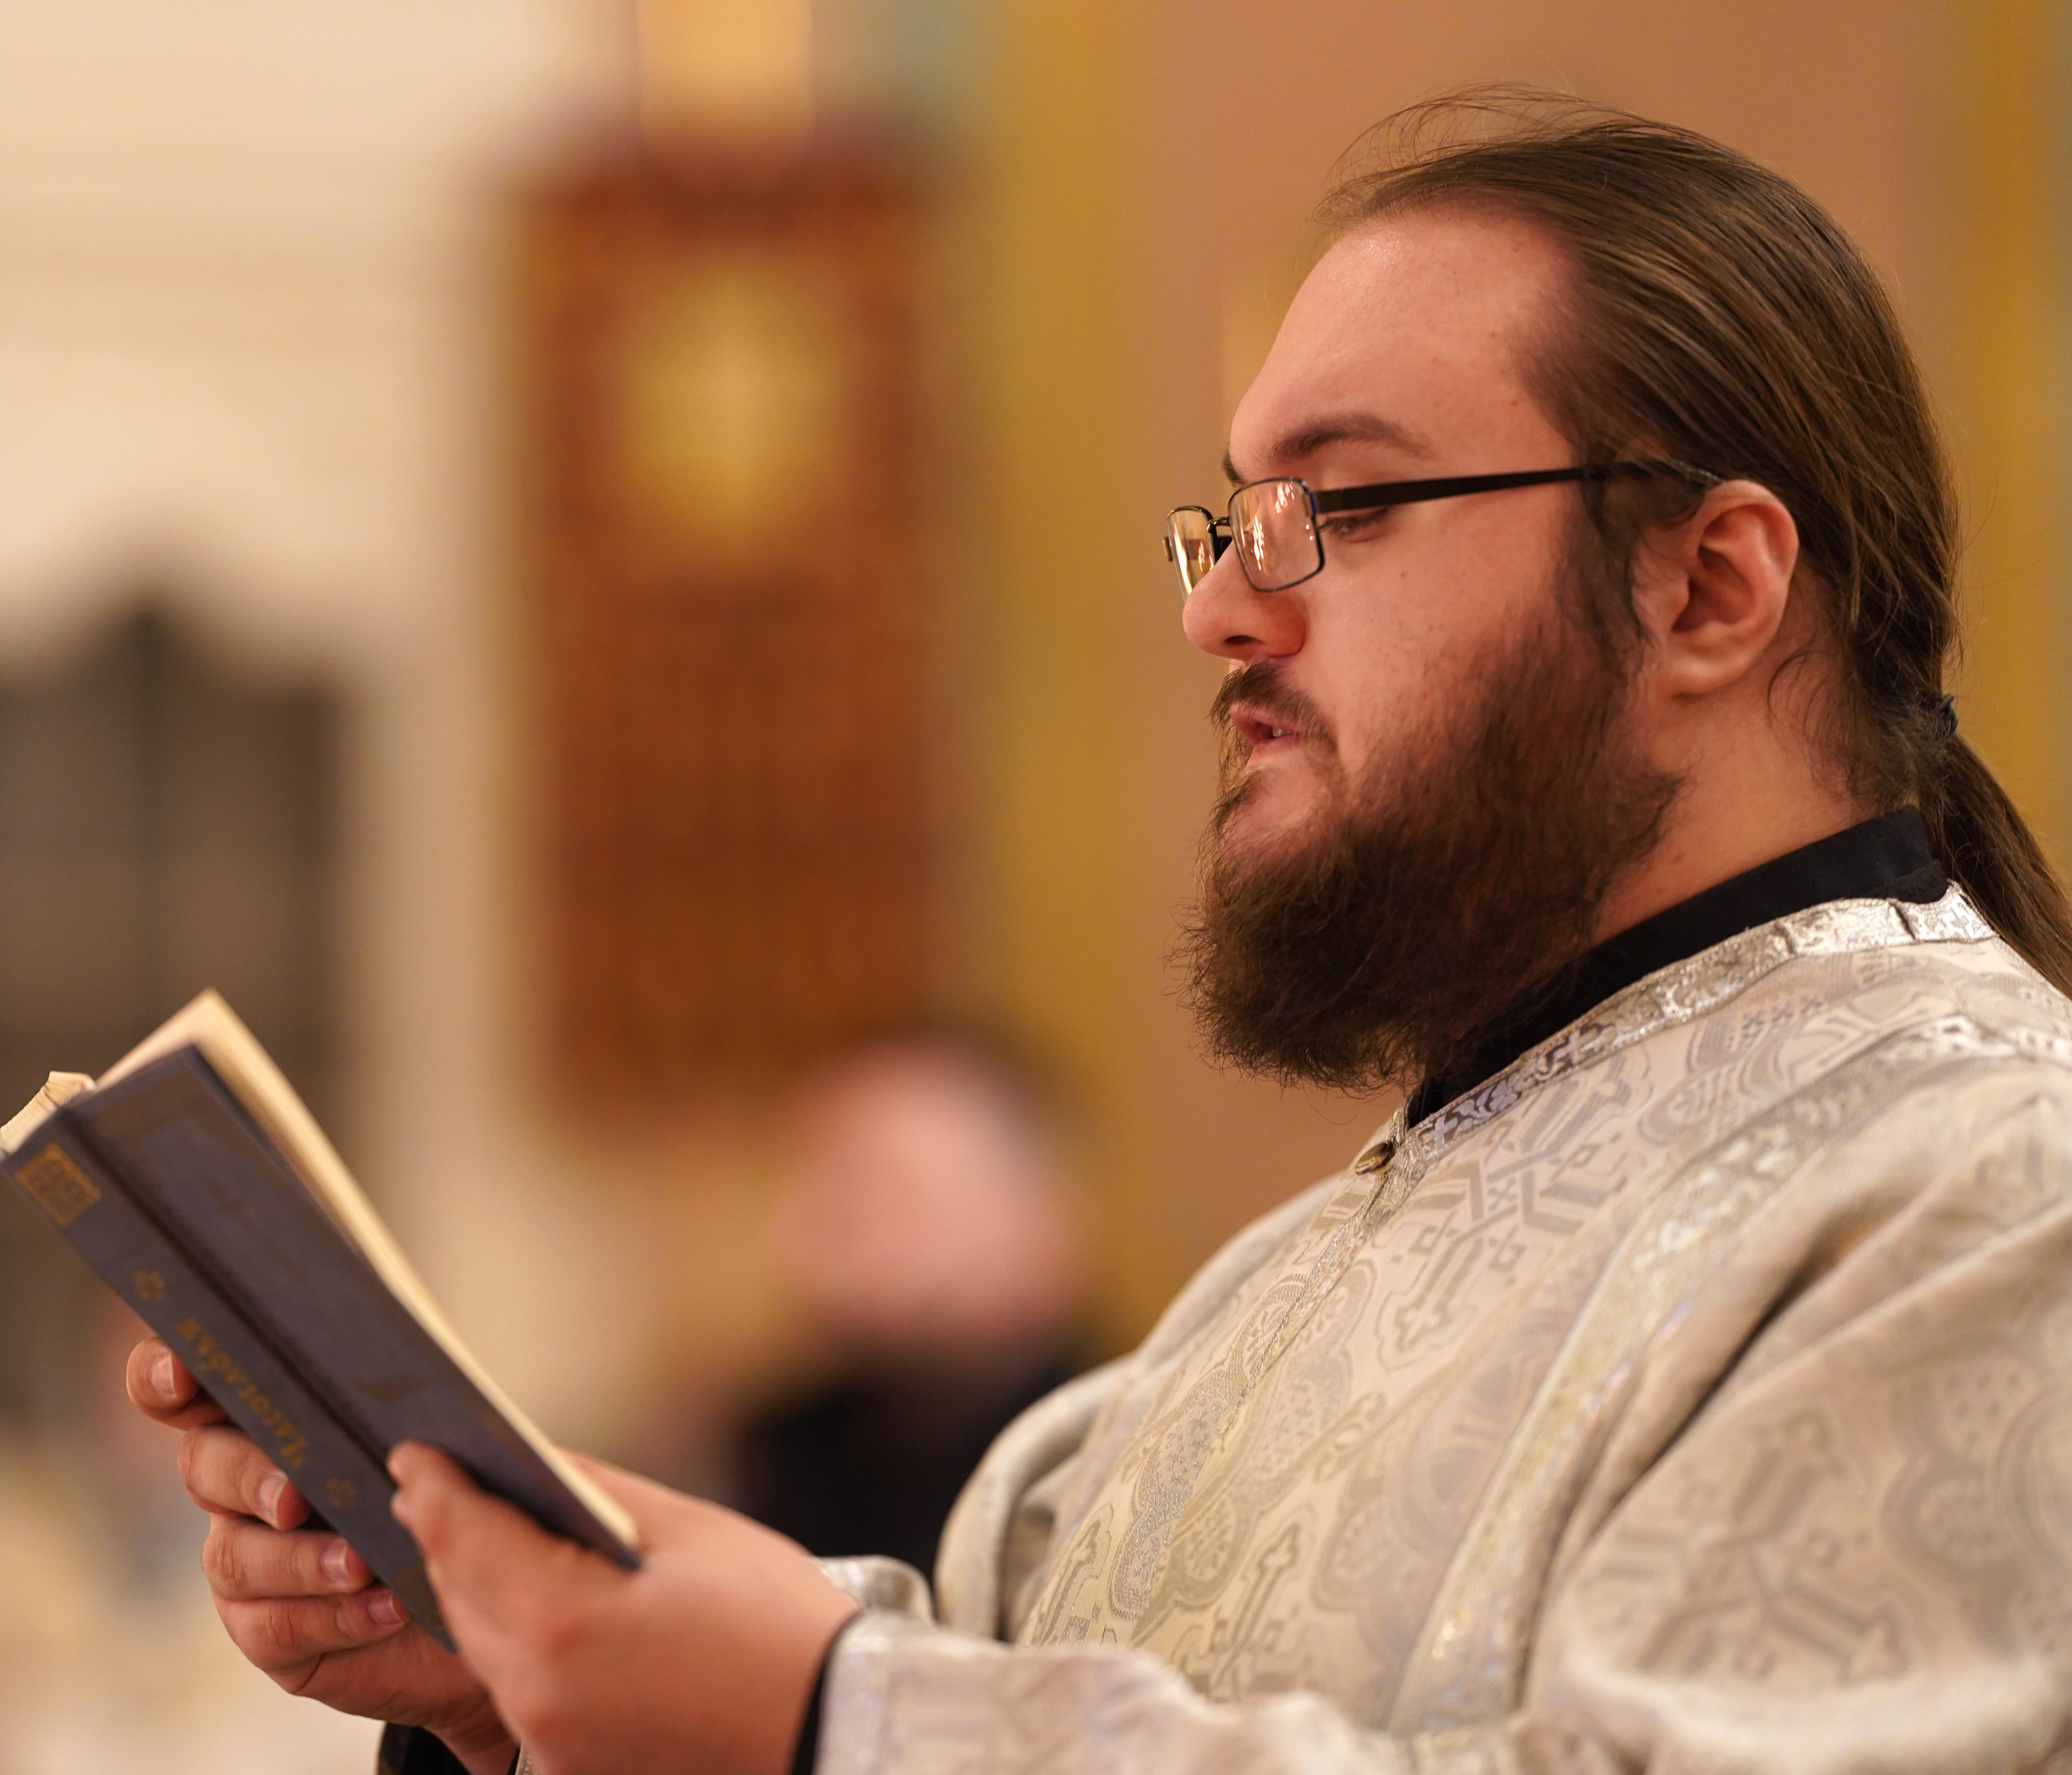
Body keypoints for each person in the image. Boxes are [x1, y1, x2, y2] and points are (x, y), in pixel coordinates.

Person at [124, 95, 2072, 1775]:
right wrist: (533, 1678)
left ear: (1707, 587)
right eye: (1233, 516)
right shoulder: (1276, 1289)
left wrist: (829, 1721)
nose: (1220, 609)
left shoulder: (1994, 1191)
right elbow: (970, 1671)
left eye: (1344, 504)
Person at [733, 1029, 1086, 1577]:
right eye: (807, 1180)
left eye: (871, 1191)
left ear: (1033, 1218)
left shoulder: (1114, 1453)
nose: (799, 1231)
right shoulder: (782, 1447)